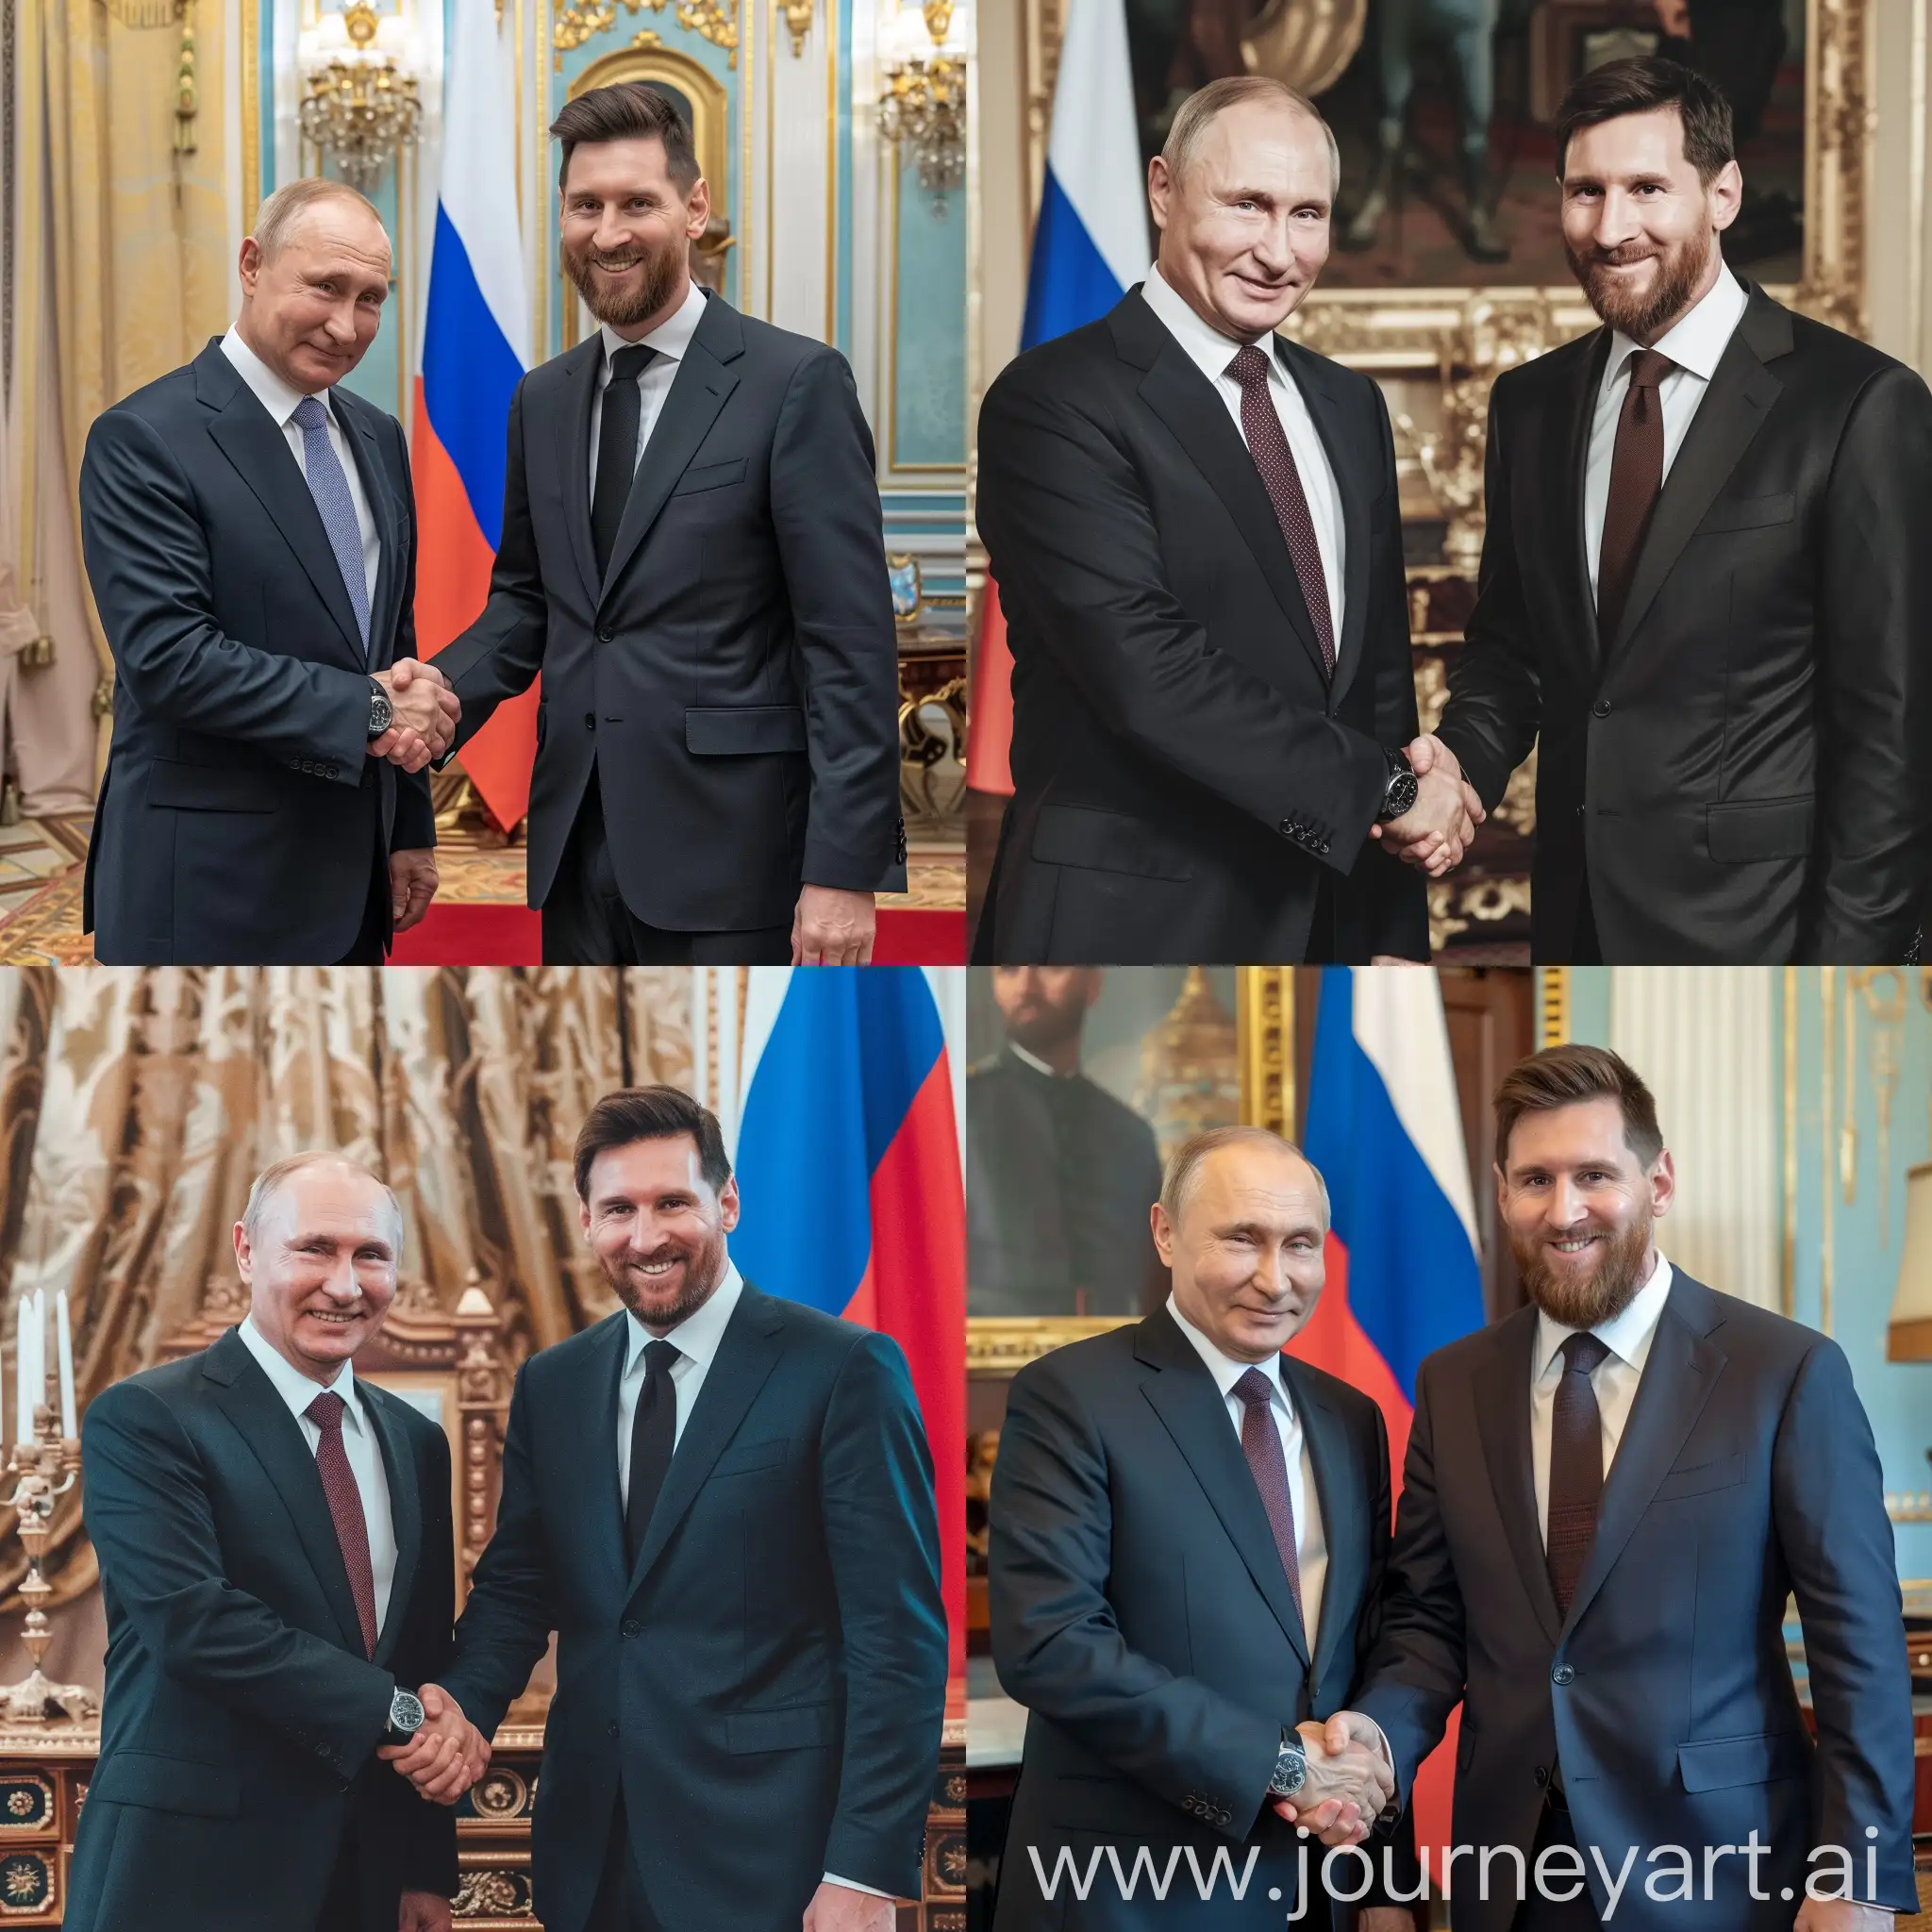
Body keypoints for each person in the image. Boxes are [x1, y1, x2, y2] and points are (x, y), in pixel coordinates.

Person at [1291, 1044, 1918, 1931]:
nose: (1565, 1210)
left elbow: (1858, 1644)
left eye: (1595, 1175)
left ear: (1658, 1182)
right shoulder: (1453, 1382)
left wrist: (1854, 1874)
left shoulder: (1784, 1373)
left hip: (1723, 1873)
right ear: (1503, 1192)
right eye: (1536, 1180)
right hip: (1511, 1874)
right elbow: (1428, 1620)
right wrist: (1380, 1738)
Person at [1387, 58, 1932, 962]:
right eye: (1586, 192)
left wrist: (1849, 971)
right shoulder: (1532, 403)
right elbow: (1513, 650)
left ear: (1723, 195)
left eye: (1648, 189)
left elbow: (1897, 735)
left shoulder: (1858, 406)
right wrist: (1462, 766)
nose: (1612, 228)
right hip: (1576, 922)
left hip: (1770, 937)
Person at [384, 1086, 948, 1931]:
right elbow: (517, 1586)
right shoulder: (554, 1382)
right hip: (592, 1858)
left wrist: (864, 1869)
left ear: (726, 1203)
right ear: (585, 1220)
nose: (645, 1237)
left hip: (777, 1861)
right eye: (618, 1209)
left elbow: (896, 1636)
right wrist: (462, 1709)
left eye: (672, 1203)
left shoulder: (844, 1369)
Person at [974, 75, 1473, 966]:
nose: (1279, 252)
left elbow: (1378, 688)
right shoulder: (1053, 401)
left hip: (1332, 917)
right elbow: (1148, 671)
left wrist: (1394, 932)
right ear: (1163, 188)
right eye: (1248, 205)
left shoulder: (1346, 402)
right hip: (1134, 931)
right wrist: (1391, 794)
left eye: (1308, 215)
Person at [422, 83, 905, 966]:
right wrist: (428, 696)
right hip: (574, 845)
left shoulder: (795, 382)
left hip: (737, 854)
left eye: (636, 203)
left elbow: (849, 645)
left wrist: (845, 868)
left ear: (694, 208)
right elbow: (527, 604)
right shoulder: (542, 397)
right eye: (585, 206)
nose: (608, 233)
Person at [986, 1126, 1405, 1929]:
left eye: (1301, 1244)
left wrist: (1385, 1879)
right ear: (1165, 1233)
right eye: (1242, 1238)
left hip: (1318, 1892)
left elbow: (1363, 1647)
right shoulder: (1071, 1398)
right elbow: (1052, 1646)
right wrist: (1282, 1768)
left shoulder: (1351, 1420)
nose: (1275, 1278)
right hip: (1132, 1895)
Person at [68, 1154, 479, 1932]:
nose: (346, 1284)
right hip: (187, 1877)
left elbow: (418, 1653)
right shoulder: (146, 1418)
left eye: (372, 1256)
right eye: (314, 1249)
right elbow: (197, 1624)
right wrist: (398, 1716)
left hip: (362, 1880)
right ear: (247, 1250)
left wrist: (423, 1868)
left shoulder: (417, 1441)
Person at [79, 178, 460, 965]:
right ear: (252, 265)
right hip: (211, 886)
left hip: (354, 883)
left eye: (371, 299)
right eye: (325, 287)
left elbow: (392, 646)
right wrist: (376, 712)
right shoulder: (144, 437)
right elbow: (169, 661)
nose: (347, 325)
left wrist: (408, 829)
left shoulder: (378, 435)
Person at [967, 966, 1168, 1317]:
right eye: (1009, 970)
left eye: (1049, 966)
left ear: (1093, 984)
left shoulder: (1130, 1134)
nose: (1026, 987)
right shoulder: (961, 1108)